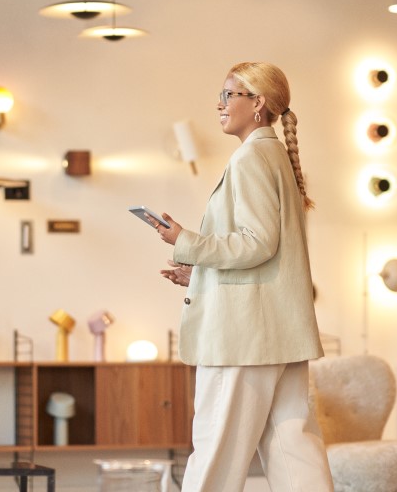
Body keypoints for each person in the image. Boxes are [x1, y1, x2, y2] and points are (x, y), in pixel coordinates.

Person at [145, 62, 332, 492]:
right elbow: (269, 255)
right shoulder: (274, 156)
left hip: (243, 338)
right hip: (278, 333)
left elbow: (256, 243)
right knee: (293, 451)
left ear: (258, 103)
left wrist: (185, 240)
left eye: (230, 95)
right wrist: (200, 275)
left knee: (215, 450)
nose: (220, 104)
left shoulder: (251, 158)